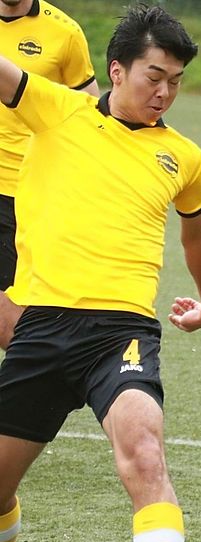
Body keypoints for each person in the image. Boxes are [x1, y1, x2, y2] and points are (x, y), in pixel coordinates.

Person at [0, 6, 201, 542]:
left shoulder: (183, 157)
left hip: (121, 335)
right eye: (155, 76)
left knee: (144, 452)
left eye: (176, 80)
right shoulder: (54, 110)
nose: (165, 92)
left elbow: (198, 237)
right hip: (41, 331)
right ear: (117, 71)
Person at [0, 0, 100, 351]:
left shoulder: (64, 32)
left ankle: (37, 388)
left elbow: (89, 114)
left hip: (20, 191)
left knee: (7, 319)